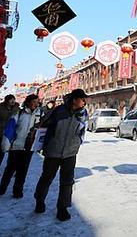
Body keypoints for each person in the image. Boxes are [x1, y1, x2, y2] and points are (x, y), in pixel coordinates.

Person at [33, 89, 88, 221]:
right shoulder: (59, 111)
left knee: (67, 181)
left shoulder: (83, 113)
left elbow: (82, 131)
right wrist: (44, 145)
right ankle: (39, 200)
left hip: (70, 152)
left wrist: (77, 143)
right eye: (82, 99)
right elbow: (45, 126)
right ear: (74, 100)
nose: (84, 102)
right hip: (53, 151)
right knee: (46, 178)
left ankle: (62, 208)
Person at [0, 94, 42, 198]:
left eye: (37, 102)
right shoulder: (19, 113)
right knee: (10, 169)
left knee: (23, 171)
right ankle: (2, 188)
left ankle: (17, 191)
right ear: (28, 102)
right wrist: (7, 143)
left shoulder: (38, 114)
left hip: (28, 147)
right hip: (16, 145)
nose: (35, 104)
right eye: (34, 102)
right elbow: (10, 129)